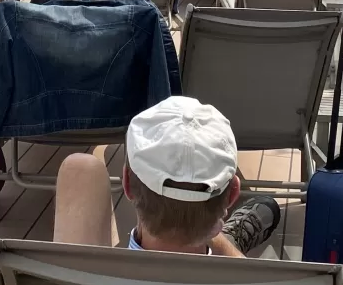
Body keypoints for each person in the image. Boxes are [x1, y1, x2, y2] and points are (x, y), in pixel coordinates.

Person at [54, 96, 281, 256]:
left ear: (127, 184)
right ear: (232, 194)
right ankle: (220, 238)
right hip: (220, 282)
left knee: (80, 167)